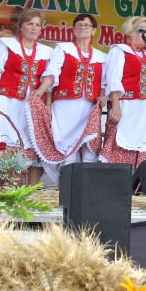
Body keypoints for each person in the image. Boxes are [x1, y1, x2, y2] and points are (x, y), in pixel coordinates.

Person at [0, 9, 53, 185]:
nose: (34, 28)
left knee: (33, 145)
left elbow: (50, 81)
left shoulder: (46, 52)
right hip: (8, 102)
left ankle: (29, 190)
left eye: (37, 25)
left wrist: (48, 104)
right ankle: (7, 187)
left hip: (31, 108)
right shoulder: (7, 45)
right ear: (21, 27)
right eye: (30, 24)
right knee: (6, 140)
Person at [32, 14, 106, 174]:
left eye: (86, 25)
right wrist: (40, 91)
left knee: (89, 150)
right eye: (78, 25)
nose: (82, 27)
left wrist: (102, 96)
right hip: (64, 107)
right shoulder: (64, 48)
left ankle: (85, 185)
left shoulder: (101, 56)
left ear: (93, 31)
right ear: (73, 29)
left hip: (89, 109)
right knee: (67, 150)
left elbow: (104, 82)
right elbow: (52, 73)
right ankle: (66, 185)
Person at [101, 16, 146, 167]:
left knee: (142, 142)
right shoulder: (120, 50)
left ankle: (137, 177)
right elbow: (113, 79)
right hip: (127, 105)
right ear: (130, 33)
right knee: (123, 139)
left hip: (145, 108)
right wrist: (115, 106)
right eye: (141, 31)